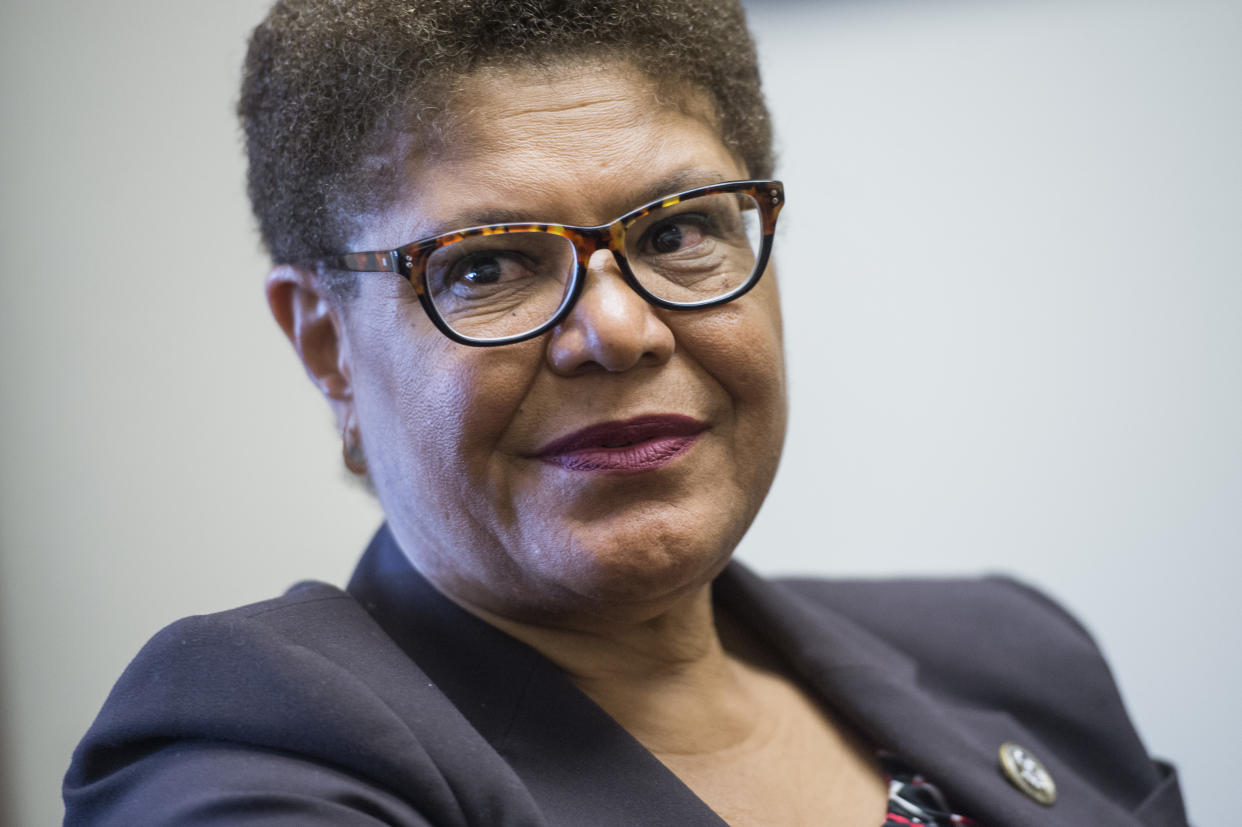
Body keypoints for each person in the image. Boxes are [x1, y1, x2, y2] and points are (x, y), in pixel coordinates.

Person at [64, 1, 1187, 825]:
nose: (620, 329)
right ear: (327, 342)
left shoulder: (1015, 649)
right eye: (487, 263)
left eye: (676, 232)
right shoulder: (263, 735)